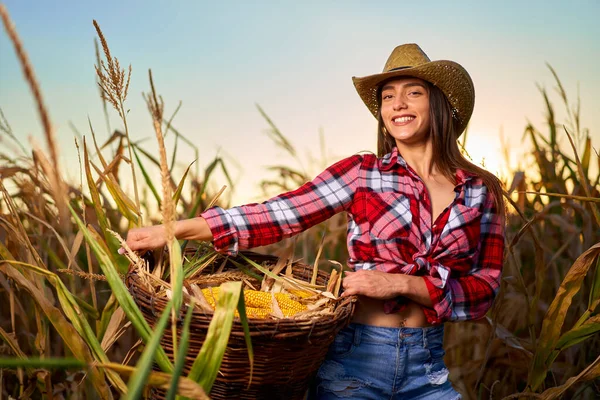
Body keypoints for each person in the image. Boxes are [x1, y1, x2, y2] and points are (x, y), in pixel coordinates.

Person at [123, 43, 506, 399]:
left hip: (428, 371)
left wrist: (399, 283)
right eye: (387, 96)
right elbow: (278, 214)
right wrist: (172, 229)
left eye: (413, 92)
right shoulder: (361, 173)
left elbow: (483, 290)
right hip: (356, 363)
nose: (397, 104)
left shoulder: (479, 191)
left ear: (436, 102)